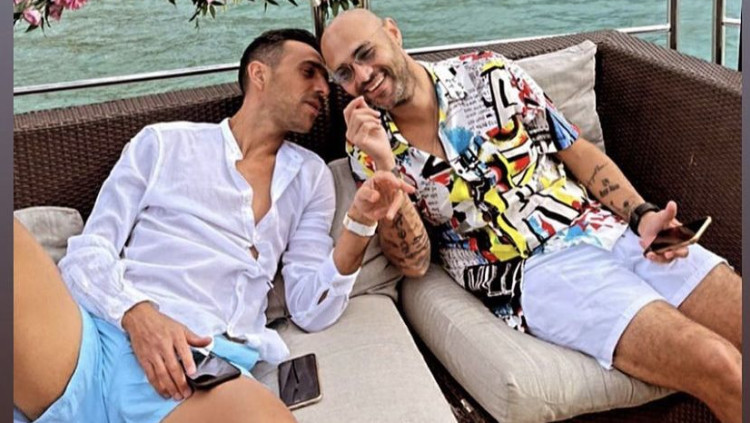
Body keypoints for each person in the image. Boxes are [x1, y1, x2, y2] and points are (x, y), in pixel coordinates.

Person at [321, 10, 741, 423]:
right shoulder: (367, 147)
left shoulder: (489, 74)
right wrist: (385, 167)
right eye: (345, 73)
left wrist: (642, 215)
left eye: (366, 53)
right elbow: (412, 263)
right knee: (719, 364)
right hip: (536, 273)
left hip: (603, 227)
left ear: (393, 33)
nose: (363, 76)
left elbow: (576, 151)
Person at [13, 28, 413, 423]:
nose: (324, 89)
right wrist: (138, 316)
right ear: (259, 74)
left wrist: (361, 223)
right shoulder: (163, 144)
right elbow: (88, 252)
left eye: (326, 79)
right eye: (309, 72)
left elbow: (310, 308)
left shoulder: (310, 177)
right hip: (98, 343)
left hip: (199, 370)